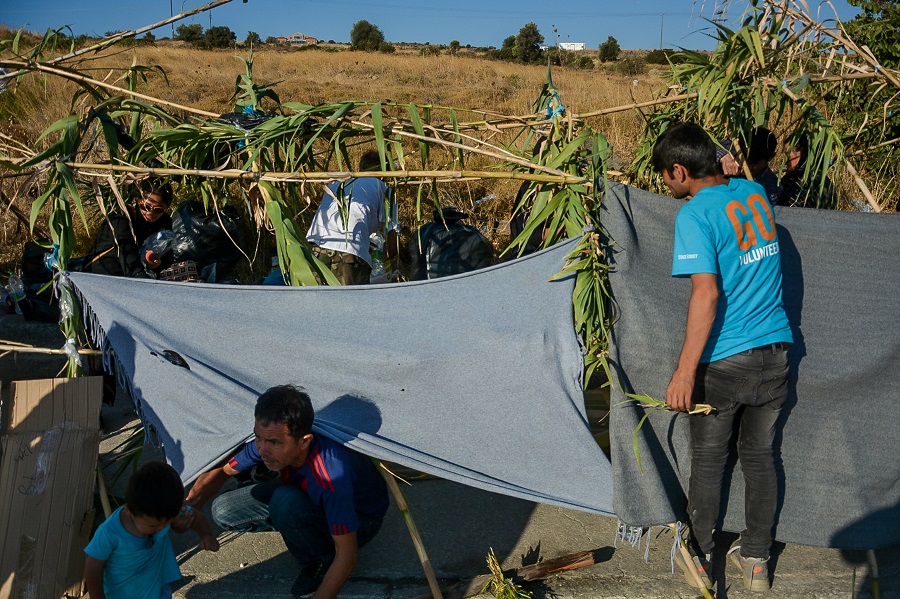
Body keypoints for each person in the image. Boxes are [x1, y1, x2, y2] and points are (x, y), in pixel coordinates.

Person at [652, 123, 793, 593]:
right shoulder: (753, 195)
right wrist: (730, 170)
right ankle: (756, 561)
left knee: (709, 463)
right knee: (761, 458)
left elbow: (707, 294)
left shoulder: (693, 216)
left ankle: (703, 559)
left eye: (665, 177)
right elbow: (737, 182)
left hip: (725, 362)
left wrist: (683, 372)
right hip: (776, 355)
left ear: (679, 171)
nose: (665, 186)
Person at [185, 385, 389, 598]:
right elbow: (224, 470)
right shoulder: (270, 440)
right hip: (304, 491)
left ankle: (318, 560)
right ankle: (298, 523)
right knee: (224, 509)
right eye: (258, 438)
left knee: (285, 502)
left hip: (360, 520)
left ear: (304, 441)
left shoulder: (332, 475)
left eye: (273, 442)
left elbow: (347, 554)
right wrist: (190, 505)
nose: (262, 449)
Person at [84, 461, 219, 599]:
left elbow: (194, 516)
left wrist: (206, 534)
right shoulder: (109, 533)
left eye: (167, 523)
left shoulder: (162, 510)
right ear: (129, 511)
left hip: (158, 592)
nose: (161, 529)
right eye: (153, 526)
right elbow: (93, 568)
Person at [306, 151, 398, 285]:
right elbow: (392, 240)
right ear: (384, 175)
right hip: (349, 255)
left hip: (315, 249)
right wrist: (385, 262)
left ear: (359, 169)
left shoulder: (337, 183)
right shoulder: (383, 189)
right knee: (350, 303)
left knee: (316, 302)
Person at [84, 181, 174, 278]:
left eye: (158, 210)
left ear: (166, 209)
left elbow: (168, 256)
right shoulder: (121, 217)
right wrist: (142, 280)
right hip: (103, 272)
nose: (150, 212)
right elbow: (126, 251)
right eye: (145, 206)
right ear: (138, 200)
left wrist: (155, 260)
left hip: (135, 273)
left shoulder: (165, 222)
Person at [409, 207, 495, 280]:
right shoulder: (471, 233)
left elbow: (415, 261)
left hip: (429, 285)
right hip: (468, 287)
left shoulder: (426, 232)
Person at [718, 127, 782, 204]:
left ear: (771, 157)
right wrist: (723, 156)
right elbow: (703, 141)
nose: (749, 166)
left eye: (755, 163)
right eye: (745, 160)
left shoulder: (772, 187)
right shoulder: (728, 150)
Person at [778, 133, 838, 209]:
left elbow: (782, 212)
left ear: (800, 151)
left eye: (787, 155)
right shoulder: (826, 183)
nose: (785, 162)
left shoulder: (795, 179)